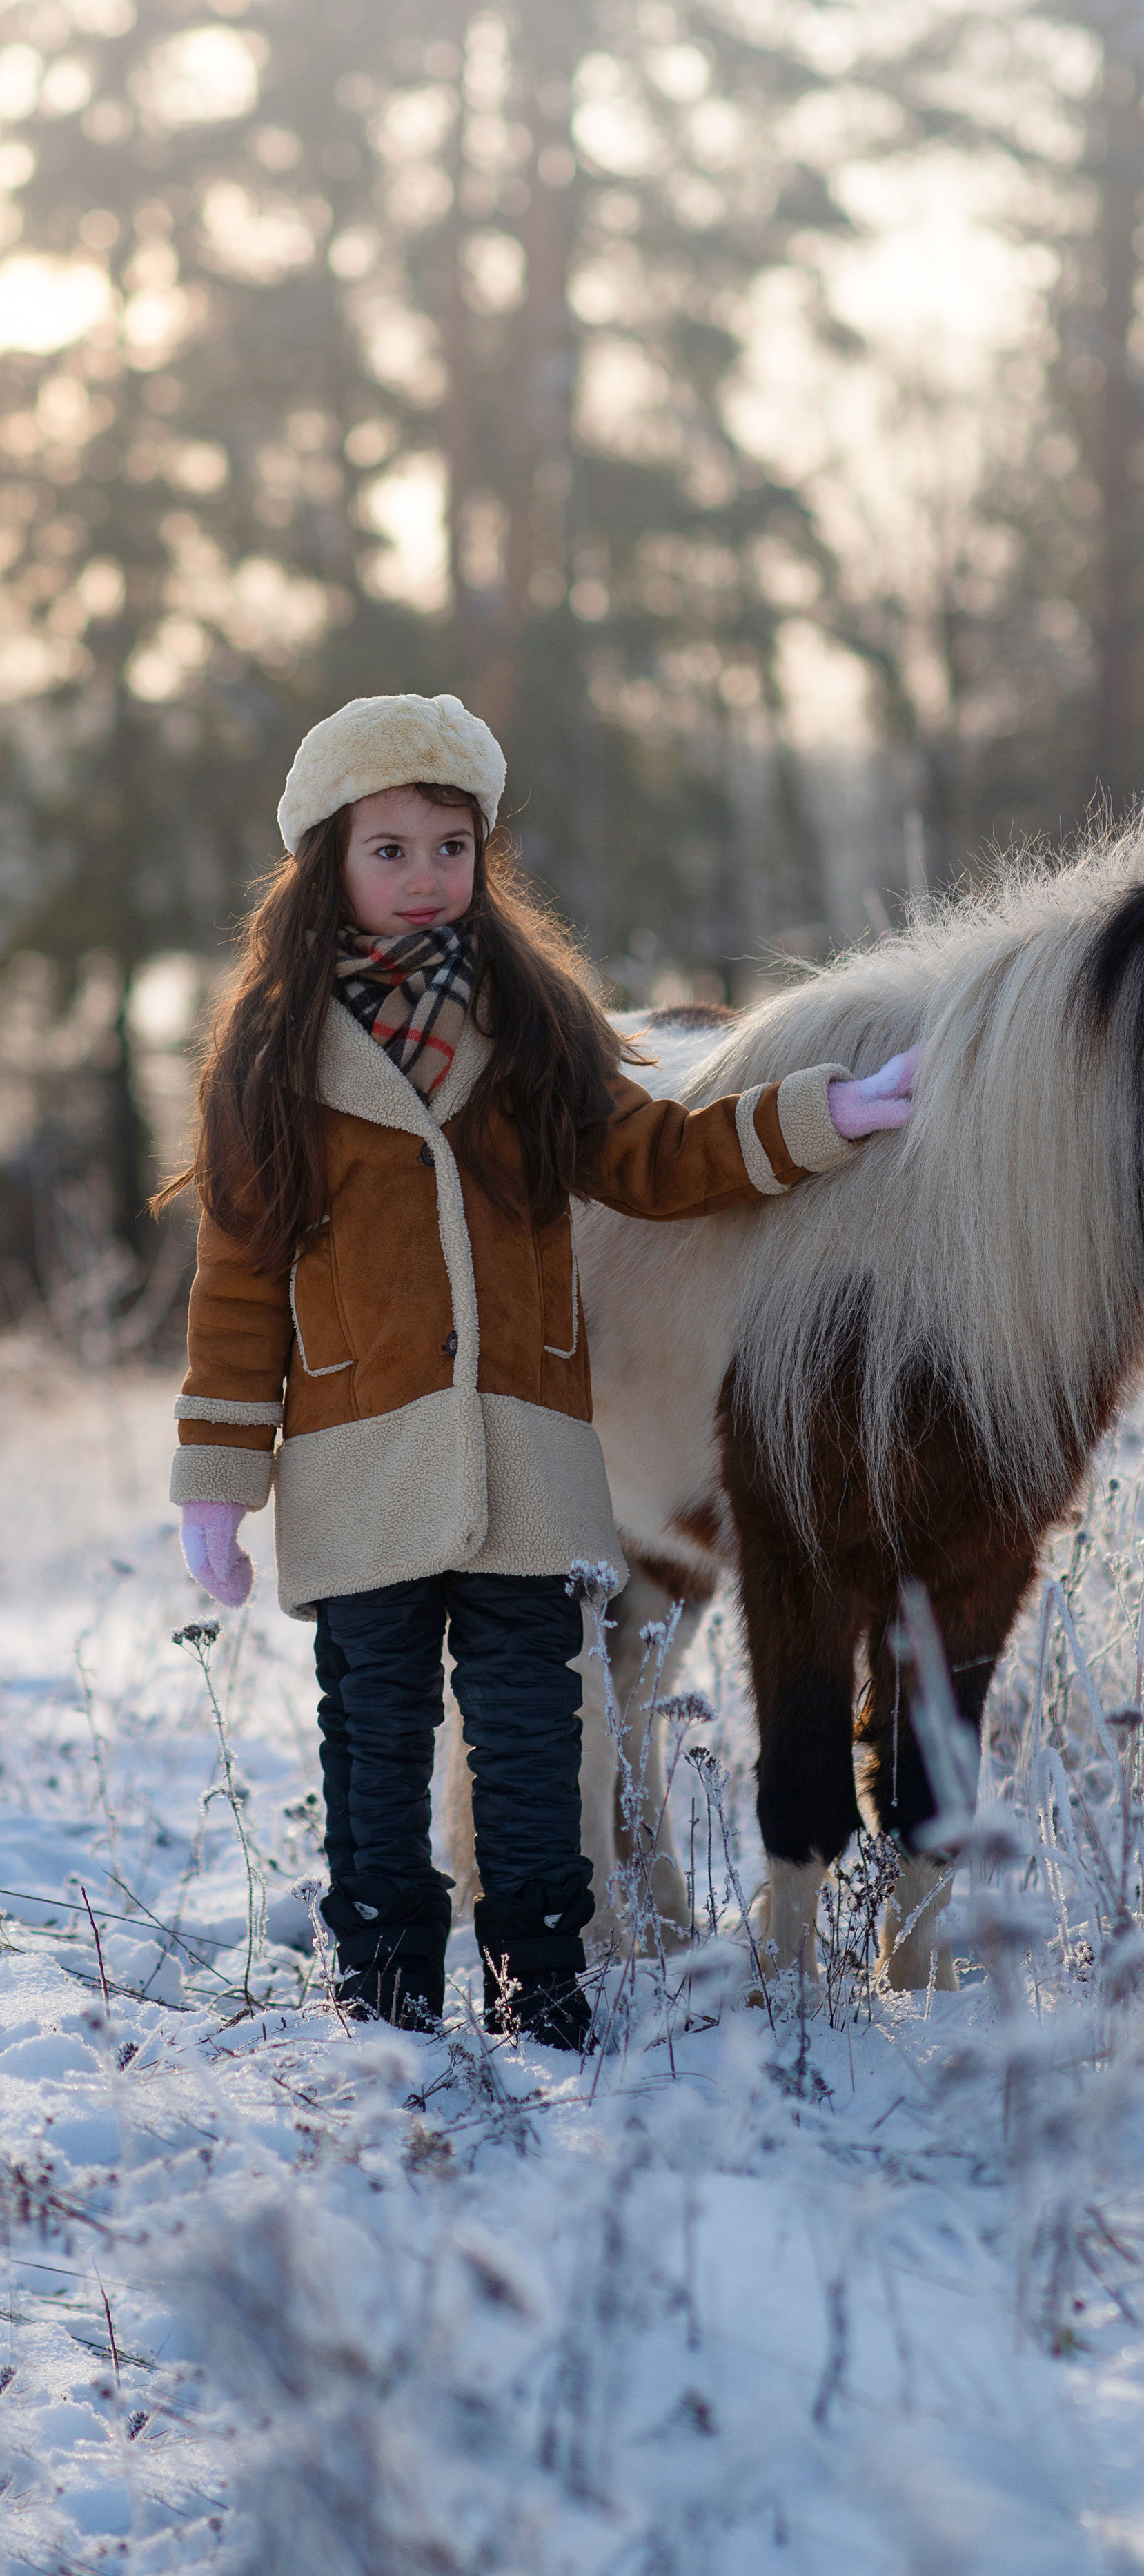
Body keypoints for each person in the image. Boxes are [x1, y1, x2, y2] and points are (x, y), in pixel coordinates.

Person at [162, 691, 916, 2050]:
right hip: (357, 1466)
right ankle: (386, 2001)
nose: (422, 877)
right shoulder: (270, 1051)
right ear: (326, 860)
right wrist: (216, 1484)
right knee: (376, 1750)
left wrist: (825, 1115)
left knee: (532, 1748)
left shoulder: (531, 1022)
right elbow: (235, 1283)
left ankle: (539, 1996)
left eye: (449, 847)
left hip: (522, 1462)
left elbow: (657, 1157)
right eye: (387, 849)